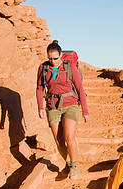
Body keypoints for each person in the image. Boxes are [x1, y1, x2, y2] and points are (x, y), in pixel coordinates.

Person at [36, 40, 88, 178]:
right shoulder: (43, 68)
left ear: (61, 55)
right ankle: (68, 164)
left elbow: (79, 88)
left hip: (70, 104)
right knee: (59, 141)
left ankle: (74, 165)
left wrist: (85, 110)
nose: (53, 61)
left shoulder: (69, 66)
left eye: (56, 58)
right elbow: (40, 88)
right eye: (50, 58)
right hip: (52, 106)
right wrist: (40, 107)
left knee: (69, 137)